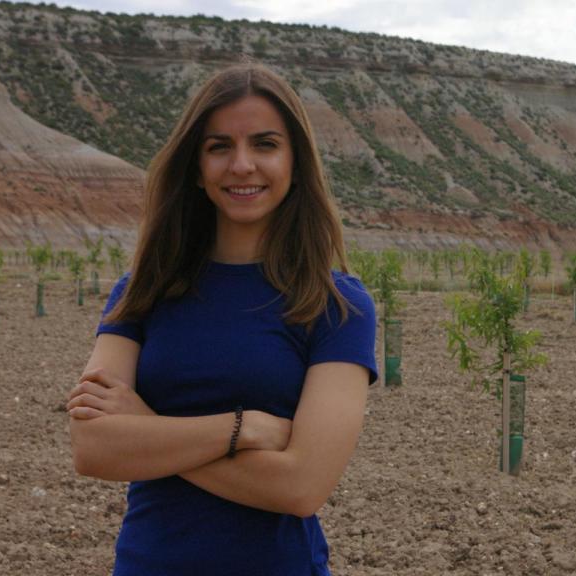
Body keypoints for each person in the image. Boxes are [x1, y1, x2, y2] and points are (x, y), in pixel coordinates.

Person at [66, 62, 377, 576]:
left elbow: (301, 487)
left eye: (264, 144)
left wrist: (145, 428)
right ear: (196, 167)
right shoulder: (143, 291)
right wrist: (243, 428)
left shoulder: (338, 305)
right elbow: (93, 447)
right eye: (218, 147)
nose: (241, 165)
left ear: (296, 163)